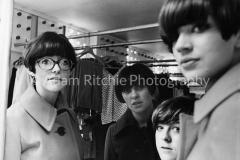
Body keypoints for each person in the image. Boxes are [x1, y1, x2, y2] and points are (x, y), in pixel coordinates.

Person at [158, 0, 240, 159]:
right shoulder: (221, 109)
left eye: (199, 27)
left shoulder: (233, 112)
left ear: (237, 33)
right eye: (174, 36)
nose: (180, 45)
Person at [5, 31, 84, 160]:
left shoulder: (70, 116)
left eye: (64, 62)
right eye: (46, 61)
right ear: (31, 70)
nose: (57, 69)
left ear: (70, 71)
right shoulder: (12, 119)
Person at [104, 64, 160, 160]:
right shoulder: (114, 132)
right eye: (126, 90)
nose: (134, 95)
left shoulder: (170, 122)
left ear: (151, 88)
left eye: (140, 87)